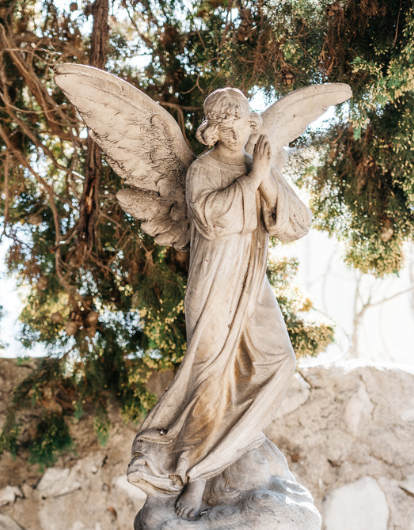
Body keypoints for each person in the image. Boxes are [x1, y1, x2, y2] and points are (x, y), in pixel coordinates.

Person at [126, 88, 313, 519]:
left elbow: (296, 224)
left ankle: (226, 453)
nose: (231, 130)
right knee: (212, 381)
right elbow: (211, 219)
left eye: (238, 121)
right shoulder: (202, 170)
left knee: (279, 362)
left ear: (250, 125)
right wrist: (251, 181)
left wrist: (264, 176)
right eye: (222, 123)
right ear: (211, 130)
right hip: (214, 283)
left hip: (251, 282)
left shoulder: (260, 165)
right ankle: (198, 479)